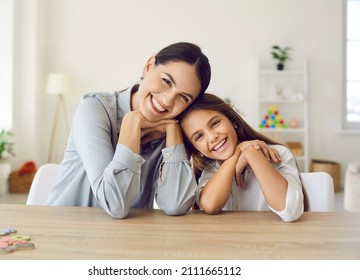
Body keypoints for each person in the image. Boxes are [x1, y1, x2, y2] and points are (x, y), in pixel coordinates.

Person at [46, 42, 211, 219]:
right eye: (166, 81)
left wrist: (173, 130)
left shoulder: (171, 132)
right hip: (64, 230)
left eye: (183, 98)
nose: (168, 100)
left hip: (125, 239)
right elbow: (114, 204)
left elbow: (175, 204)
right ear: (148, 67)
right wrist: (131, 124)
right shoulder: (94, 107)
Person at [178, 93, 308, 222]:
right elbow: (210, 205)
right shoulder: (211, 170)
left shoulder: (278, 154)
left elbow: (291, 212)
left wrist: (252, 153)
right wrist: (238, 152)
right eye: (199, 136)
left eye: (215, 123)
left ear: (233, 121)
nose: (212, 137)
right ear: (197, 150)